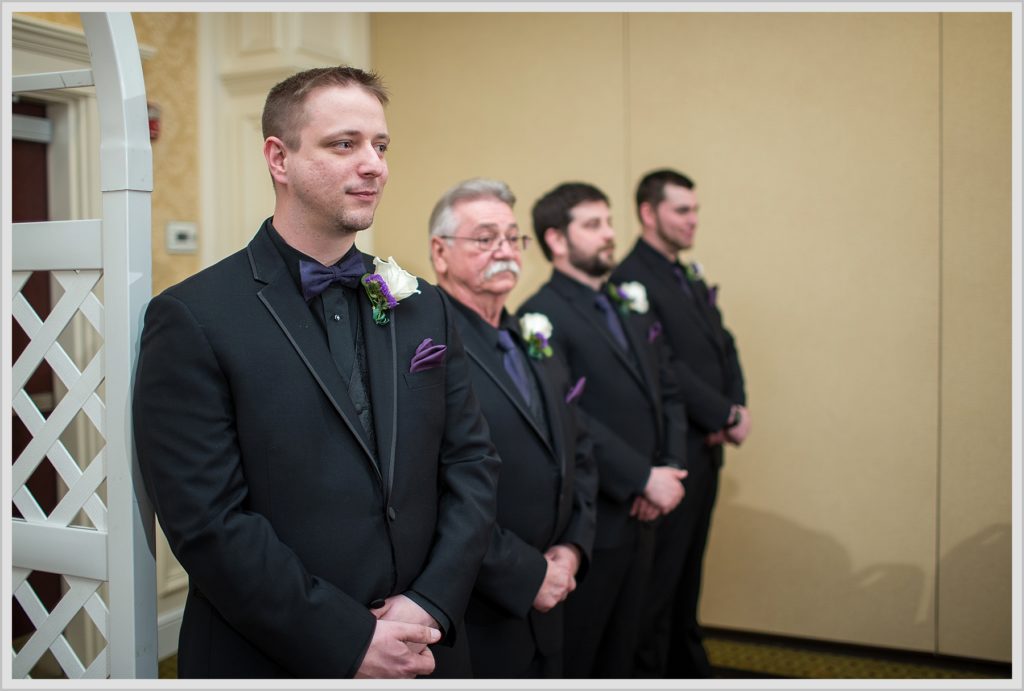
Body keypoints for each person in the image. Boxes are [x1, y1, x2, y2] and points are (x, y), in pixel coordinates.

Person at [132, 66, 500, 679]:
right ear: (279, 158)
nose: (374, 164)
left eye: (380, 146)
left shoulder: (422, 304)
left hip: (425, 646)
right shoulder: (194, 316)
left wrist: (429, 602)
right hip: (273, 654)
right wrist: (351, 638)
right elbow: (208, 522)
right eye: (344, 144)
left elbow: (471, 464)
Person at [427, 177, 599, 678]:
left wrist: (571, 549)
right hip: (479, 604)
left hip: (554, 588)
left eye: (513, 237)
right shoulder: (427, 346)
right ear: (440, 253)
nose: (505, 251)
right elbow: (430, 483)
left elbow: (577, 447)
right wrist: (526, 573)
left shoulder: (529, 333)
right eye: (485, 239)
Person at [518, 182, 689, 678]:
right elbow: (569, 416)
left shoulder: (627, 302)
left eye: (609, 222)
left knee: (633, 644)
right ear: (556, 239)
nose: (609, 234)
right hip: (598, 519)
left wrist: (670, 468)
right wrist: (639, 477)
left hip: (650, 508)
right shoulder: (540, 314)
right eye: (593, 225)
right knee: (586, 653)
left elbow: (668, 388)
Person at [613, 168, 750, 678]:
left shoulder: (684, 274)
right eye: (682, 211)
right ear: (649, 213)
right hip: (674, 453)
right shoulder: (631, 279)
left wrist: (734, 408)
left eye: (695, 211)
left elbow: (724, 342)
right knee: (660, 584)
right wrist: (718, 413)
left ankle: (686, 667)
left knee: (689, 576)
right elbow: (663, 365)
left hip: (707, 448)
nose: (693, 221)